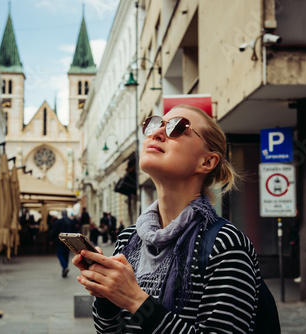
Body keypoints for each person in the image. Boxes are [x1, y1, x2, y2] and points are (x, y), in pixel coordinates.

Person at [73, 105, 263, 333]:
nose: (157, 133)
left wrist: (136, 300)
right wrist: (106, 292)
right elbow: (110, 331)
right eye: (154, 125)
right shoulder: (129, 238)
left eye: (178, 127)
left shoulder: (226, 245)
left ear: (207, 162)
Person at [50, 210, 76, 277]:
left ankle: (65, 267)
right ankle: (65, 267)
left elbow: (54, 231)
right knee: (66, 254)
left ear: (62, 214)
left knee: (60, 254)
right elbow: (75, 231)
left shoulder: (59, 221)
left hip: (60, 240)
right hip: (68, 240)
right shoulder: (71, 221)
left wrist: (51, 239)